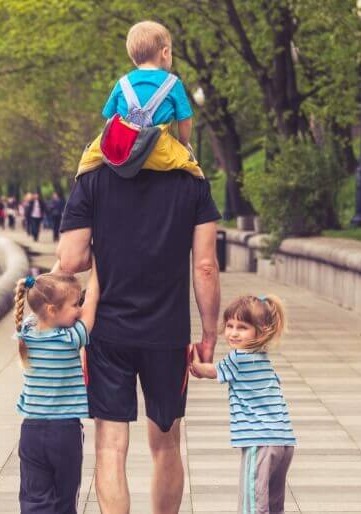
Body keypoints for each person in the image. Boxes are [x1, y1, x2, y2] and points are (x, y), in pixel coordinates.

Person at [57, 108, 221, 513]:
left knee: (110, 446)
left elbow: (72, 258)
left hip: (107, 331)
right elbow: (205, 266)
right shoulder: (191, 181)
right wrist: (209, 333)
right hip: (168, 333)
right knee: (166, 443)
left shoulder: (93, 177)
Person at [190, 295, 296, 514]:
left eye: (242, 327)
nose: (233, 333)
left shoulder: (238, 358)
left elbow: (212, 371)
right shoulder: (262, 357)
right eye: (229, 325)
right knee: (274, 503)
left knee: (253, 503)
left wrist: (196, 365)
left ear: (262, 330)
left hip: (260, 441)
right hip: (284, 442)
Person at [13, 263, 100, 514]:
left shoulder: (25, 333)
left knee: (33, 498)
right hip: (64, 432)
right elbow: (92, 303)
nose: (79, 309)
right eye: (75, 304)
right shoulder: (70, 339)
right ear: (52, 309)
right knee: (64, 498)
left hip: (31, 431)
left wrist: (57, 271)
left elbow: (38, 299)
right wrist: (98, 267)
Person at [76, 21, 202, 180]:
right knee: (195, 174)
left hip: (124, 151)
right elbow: (185, 121)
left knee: (87, 162)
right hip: (161, 152)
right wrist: (183, 144)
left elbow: (110, 121)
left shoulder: (122, 83)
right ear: (165, 52)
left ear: (134, 57)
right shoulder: (173, 84)